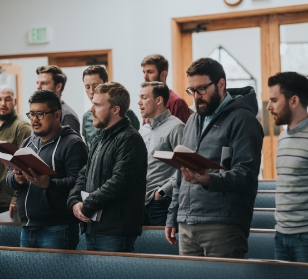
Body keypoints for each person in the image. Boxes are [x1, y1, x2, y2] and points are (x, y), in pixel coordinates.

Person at [165, 58, 264, 258]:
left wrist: (210, 179)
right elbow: (180, 174)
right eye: (191, 90)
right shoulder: (193, 120)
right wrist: (173, 214)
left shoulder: (243, 119)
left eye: (201, 89)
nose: (196, 96)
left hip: (222, 224)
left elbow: (247, 174)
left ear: (221, 84)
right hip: (187, 222)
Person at [67, 82, 147, 252]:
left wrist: (87, 205)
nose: (91, 109)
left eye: (97, 104)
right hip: (94, 226)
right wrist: (74, 201)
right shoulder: (99, 137)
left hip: (116, 230)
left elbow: (120, 182)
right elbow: (84, 174)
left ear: (115, 109)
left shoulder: (130, 139)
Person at [6, 90, 88, 249]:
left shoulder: (73, 144)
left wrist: (48, 184)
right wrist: (17, 178)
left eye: (41, 114)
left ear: (57, 115)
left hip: (57, 228)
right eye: (32, 114)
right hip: (27, 226)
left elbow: (79, 184)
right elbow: (10, 176)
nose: (34, 119)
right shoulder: (28, 142)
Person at [267, 71, 308, 262]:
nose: (268, 107)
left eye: (274, 100)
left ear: (294, 101)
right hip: (281, 235)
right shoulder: (283, 137)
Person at [138, 81, 184, 226]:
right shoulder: (142, 130)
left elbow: (184, 167)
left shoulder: (177, 127)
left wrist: (162, 193)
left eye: (144, 98)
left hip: (162, 204)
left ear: (159, 100)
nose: (139, 102)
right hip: (140, 202)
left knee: (163, 248)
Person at [82, 65, 140, 149]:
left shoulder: (126, 112)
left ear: (105, 84)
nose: (91, 91)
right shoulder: (86, 117)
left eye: (95, 86)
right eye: (87, 87)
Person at [0, 85, 31, 215]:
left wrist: (15, 198)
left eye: (7, 99)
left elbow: (25, 165)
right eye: (0, 99)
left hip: (8, 200)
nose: (3, 103)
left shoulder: (22, 128)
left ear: (15, 101)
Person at [141, 54, 192, 124]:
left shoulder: (177, 102)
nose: (145, 77)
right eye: (144, 72)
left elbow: (182, 133)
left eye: (150, 72)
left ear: (163, 74)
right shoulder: (146, 101)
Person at [36, 65, 80, 133]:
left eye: (44, 83)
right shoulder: (39, 113)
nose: (38, 87)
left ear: (58, 86)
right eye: (37, 83)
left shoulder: (67, 116)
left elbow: (72, 143)